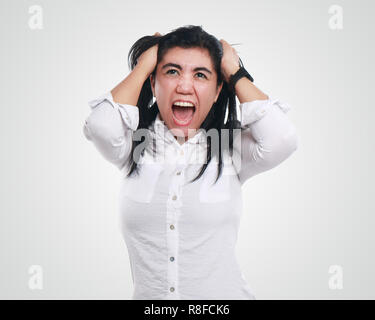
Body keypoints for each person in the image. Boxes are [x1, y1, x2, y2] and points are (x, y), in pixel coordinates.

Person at [83, 25, 298, 300]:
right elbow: (101, 125)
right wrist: (142, 66)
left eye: (200, 75)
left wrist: (234, 72)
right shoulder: (133, 145)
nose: (184, 86)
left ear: (219, 89)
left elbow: (283, 138)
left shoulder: (230, 148)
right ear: (153, 82)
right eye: (171, 71)